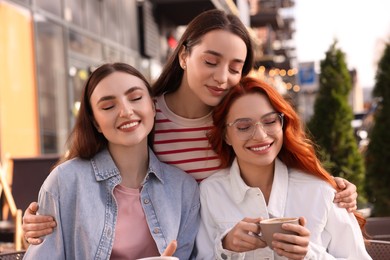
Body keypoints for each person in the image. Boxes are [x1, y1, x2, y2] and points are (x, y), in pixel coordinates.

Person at [22, 9, 357, 243]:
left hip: (226, 243)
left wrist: (332, 187)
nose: (222, 77)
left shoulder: (238, 121)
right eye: (210, 62)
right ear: (183, 56)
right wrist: (41, 217)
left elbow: (275, 161)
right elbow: (85, 169)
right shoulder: (142, 113)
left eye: (235, 68)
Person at [23, 63, 200, 259]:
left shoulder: (184, 188)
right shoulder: (64, 182)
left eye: (136, 98)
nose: (126, 111)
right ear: (95, 122)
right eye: (108, 106)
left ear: (152, 106)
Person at [195, 77, 371, 259]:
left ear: (282, 124)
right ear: (226, 135)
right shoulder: (211, 192)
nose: (260, 136)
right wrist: (225, 246)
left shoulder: (321, 190)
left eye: (270, 121)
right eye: (244, 126)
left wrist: (310, 255)